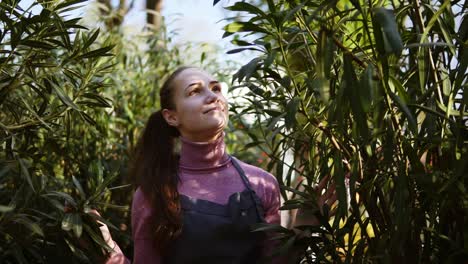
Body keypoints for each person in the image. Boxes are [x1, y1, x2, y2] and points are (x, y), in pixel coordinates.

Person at [100, 66, 337, 264]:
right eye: (195, 91)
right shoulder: (153, 193)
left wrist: (304, 224)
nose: (213, 96)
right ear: (171, 116)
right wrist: (107, 250)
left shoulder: (262, 183)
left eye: (216, 89)